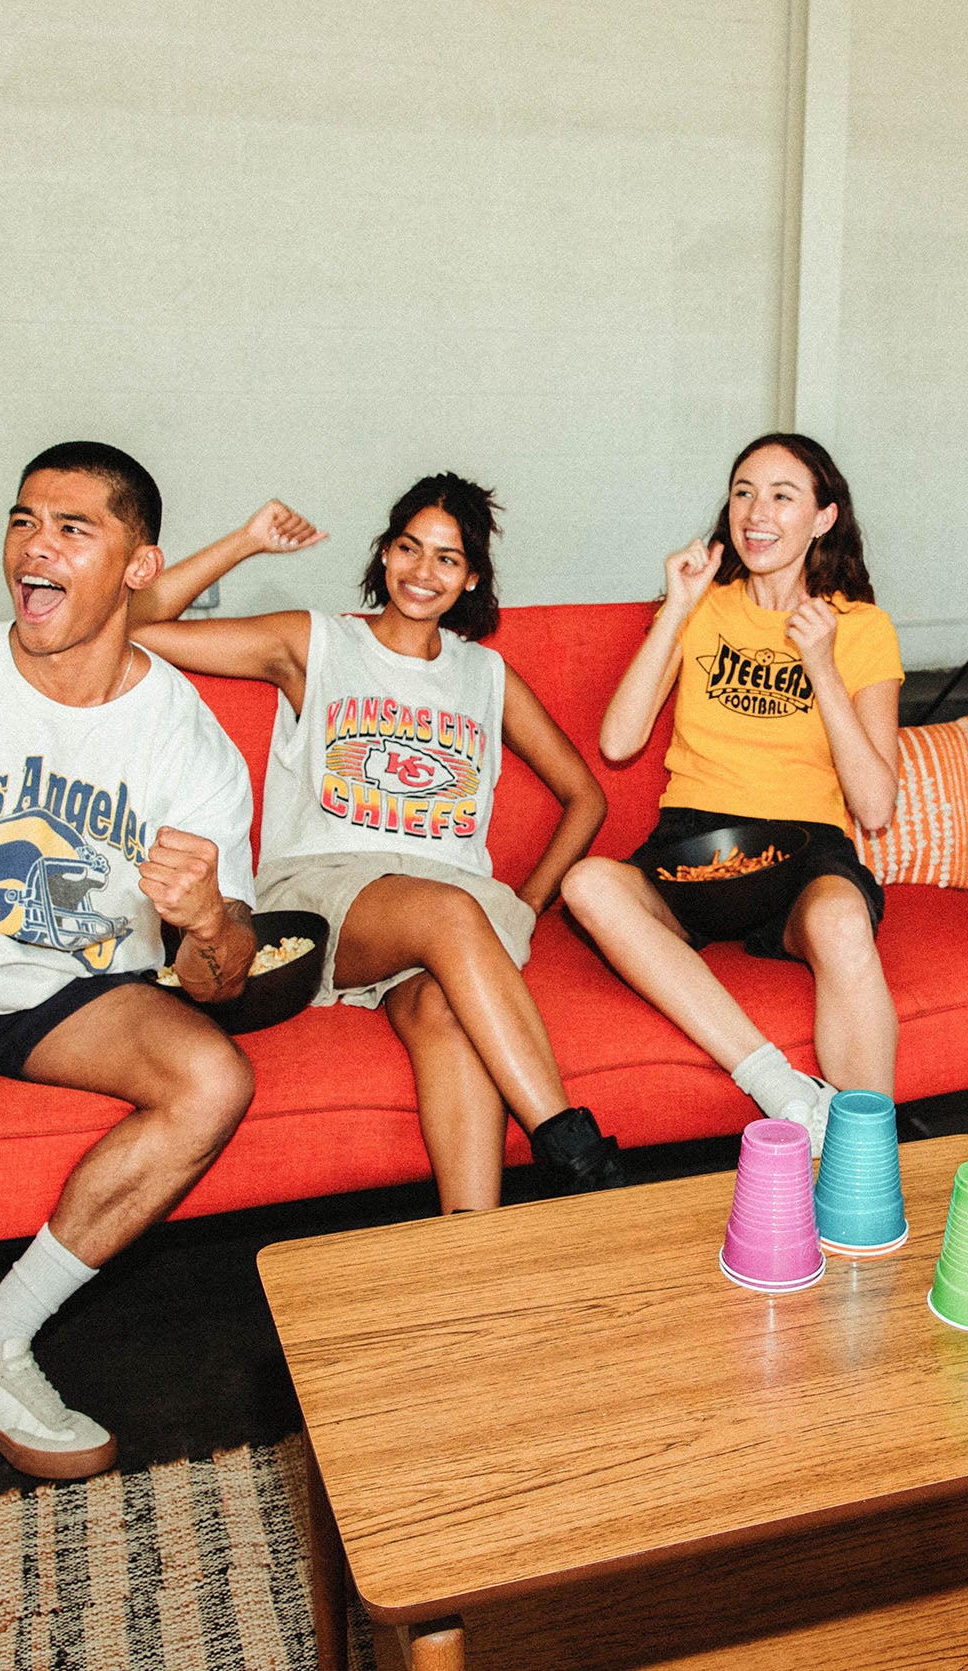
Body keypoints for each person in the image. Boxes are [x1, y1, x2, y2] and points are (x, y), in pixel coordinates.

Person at [134, 472, 625, 1212]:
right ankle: (575, 1151)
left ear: (472, 578)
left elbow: (587, 796)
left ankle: (472, 1244)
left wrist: (526, 903)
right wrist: (246, 542)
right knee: (450, 913)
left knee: (445, 1013)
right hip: (331, 891)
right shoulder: (315, 643)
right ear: (385, 552)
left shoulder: (485, 674)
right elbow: (136, 624)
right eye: (408, 547)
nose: (423, 571)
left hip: (451, 914)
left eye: (448, 559)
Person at [0, 441, 259, 1481]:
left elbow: (225, 979)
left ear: (139, 567)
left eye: (73, 529)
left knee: (213, 1078)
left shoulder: (186, 739)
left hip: (75, 988)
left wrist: (206, 923)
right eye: (24, 521)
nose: (37, 546)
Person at [561, 433, 902, 1153]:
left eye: (782, 495)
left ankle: (867, 1160)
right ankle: (780, 1087)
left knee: (843, 922)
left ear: (824, 518)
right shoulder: (704, 608)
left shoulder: (861, 627)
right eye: (743, 491)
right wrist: (677, 608)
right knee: (588, 883)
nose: (756, 512)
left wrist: (821, 665)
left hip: (806, 853)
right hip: (693, 847)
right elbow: (619, 741)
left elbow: (874, 805)